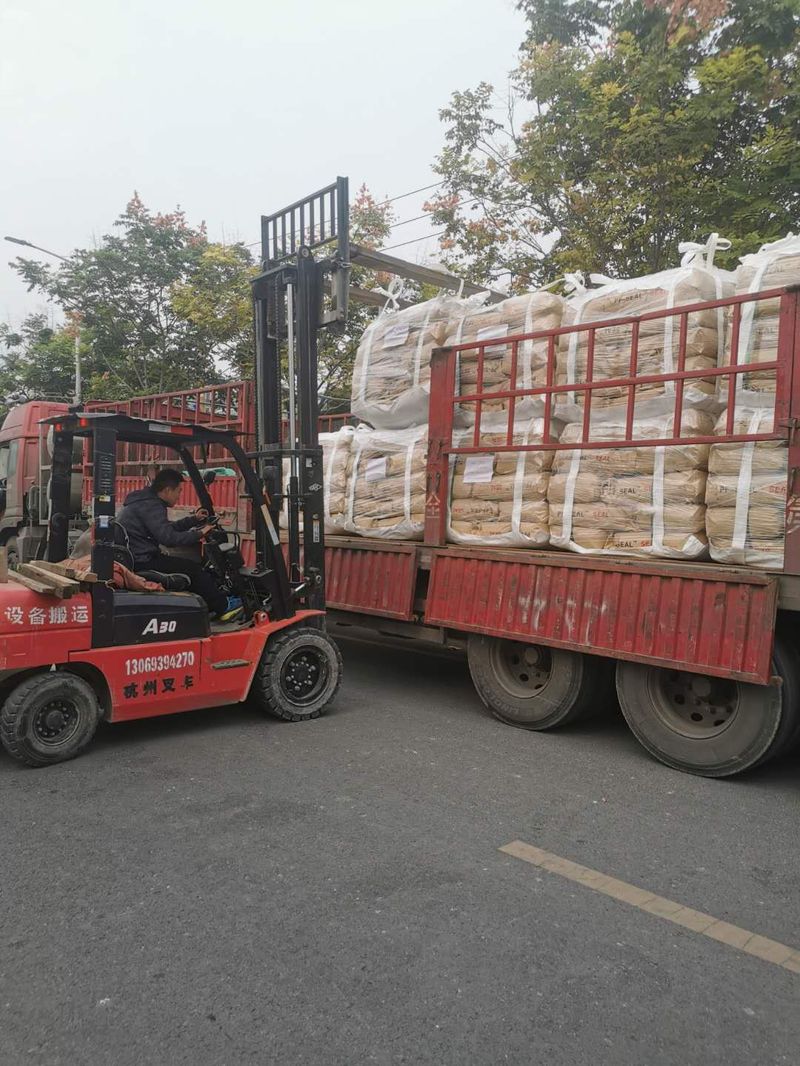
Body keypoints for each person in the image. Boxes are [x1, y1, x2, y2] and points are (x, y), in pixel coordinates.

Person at [115, 468, 243, 623]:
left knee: (189, 567)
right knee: (194, 569)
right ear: (167, 490)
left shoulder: (143, 502)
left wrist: (193, 520)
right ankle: (224, 607)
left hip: (136, 557)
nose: (179, 495)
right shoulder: (151, 505)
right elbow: (168, 538)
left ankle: (207, 606)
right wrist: (199, 533)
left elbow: (165, 528)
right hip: (143, 560)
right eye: (178, 491)